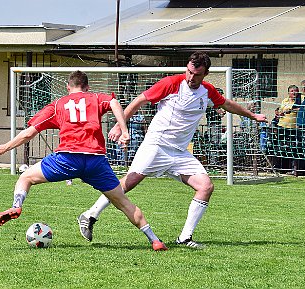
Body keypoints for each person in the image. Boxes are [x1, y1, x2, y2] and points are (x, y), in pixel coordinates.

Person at [77, 51, 267, 249]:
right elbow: (139, 100)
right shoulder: (172, 83)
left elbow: (226, 104)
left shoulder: (207, 91)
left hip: (179, 152)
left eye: (197, 74)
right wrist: (119, 125)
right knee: (129, 183)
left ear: (206, 74)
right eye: (189, 72)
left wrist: (252, 115)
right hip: (157, 144)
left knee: (205, 187)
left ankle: (185, 237)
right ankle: (90, 215)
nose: (191, 77)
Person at [0, 70, 167, 251]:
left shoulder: (58, 105)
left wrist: (5, 147)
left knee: (26, 178)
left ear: (68, 87)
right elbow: (114, 102)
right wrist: (124, 129)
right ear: (87, 87)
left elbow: (29, 133)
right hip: (95, 162)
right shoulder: (96, 98)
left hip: (68, 159)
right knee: (123, 202)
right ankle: (154, 240)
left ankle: (16, 206)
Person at [276, 85, 301, 173]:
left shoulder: (300, 100)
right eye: (292, 91)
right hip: (282, 126)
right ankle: (282, 168)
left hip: (293, 128)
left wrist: (289, 110)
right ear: (288, 92)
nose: (294, 93)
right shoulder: (285, 100)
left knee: (293, 148)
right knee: (282, 147)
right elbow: (280, 110)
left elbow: (299, 109)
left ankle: (294, 169)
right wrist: (281, 112)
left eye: (295, 91)